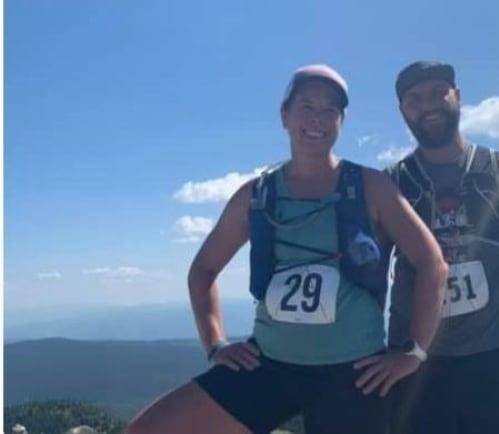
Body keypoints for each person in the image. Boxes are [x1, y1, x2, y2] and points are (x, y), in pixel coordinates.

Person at [126, 64, 447, 434]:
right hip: (269, 365)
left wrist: (414, 353)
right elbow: (202, 271)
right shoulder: (256, 196)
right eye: (306, 106)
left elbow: (432, 263)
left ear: (342, 120)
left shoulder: (370, 186)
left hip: (356, 373)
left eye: (330, 110)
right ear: (284, 115)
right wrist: (216, 344)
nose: (317, 118)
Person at [386, 61, 499, 434]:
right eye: (414, 99)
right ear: (402, 111)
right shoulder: (389, 185)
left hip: (494, 362)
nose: (428, 105)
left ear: (458, 96)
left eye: (438, 92)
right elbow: (367, 276)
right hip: (415, 364)